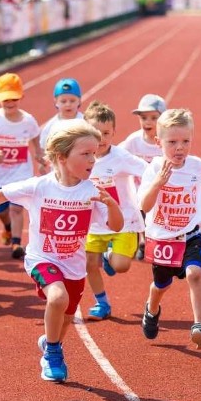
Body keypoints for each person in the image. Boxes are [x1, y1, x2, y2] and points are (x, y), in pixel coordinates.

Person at [0, 120, 122, 382]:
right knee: (58, 299)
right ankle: (52, 354)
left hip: (73, 265)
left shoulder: (92, 191)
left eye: (95, 153)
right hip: (42, 259)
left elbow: (115, 226)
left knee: (67, 317)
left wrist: (112, 206)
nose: (93, 159)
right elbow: (1, 194)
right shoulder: (39, 186)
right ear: (61, 157)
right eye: (86, 154)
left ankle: (52, 344)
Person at [138, 109, 201, 348]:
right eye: (172, 142)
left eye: (185, 141)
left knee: (194, 273)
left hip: (191, 234)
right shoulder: (154, 169)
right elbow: (145, 206)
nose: (180, 148)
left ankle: (200, 324)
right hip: (163, 239)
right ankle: (152, 307)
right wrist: (159, 183)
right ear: (159, 143)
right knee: (161, 286)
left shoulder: (195, 166)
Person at [83, 101, 147, 320]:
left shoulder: (121, 157)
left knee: (121, 266)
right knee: (89, 264)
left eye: (106, 133)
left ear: (114, 133)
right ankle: (102, 302)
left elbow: (146, 171)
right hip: (94, 223)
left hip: (124, 221)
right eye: (95, 133)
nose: (101, 139)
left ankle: (110, 255)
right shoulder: (81, 155)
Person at [0, 73, 43, 259]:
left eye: (13, 99)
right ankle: (7, 227)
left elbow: (35, 136)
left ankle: (16, 243)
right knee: (3, 211)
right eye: (6, 100)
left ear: (21, 96)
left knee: (17, 208)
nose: (10, 103)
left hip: (21, 172)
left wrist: (38, 153)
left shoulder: (28, 120)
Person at [119, 93, 167, 260]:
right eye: (143, 117)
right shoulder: (133, 141)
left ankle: (155, 241)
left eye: (153, 118)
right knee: (140, 214)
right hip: (139, 191)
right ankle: (141, 242)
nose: (148, 122)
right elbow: (118, 154)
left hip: (161, 190)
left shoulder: (166, 140)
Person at [39, 78, 84, 157]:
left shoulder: (85, 122)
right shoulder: (50, 126)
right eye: (63, 101)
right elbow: (44, 148)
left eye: (72, 101)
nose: (68, 104)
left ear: (79, 101)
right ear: (56, 102)